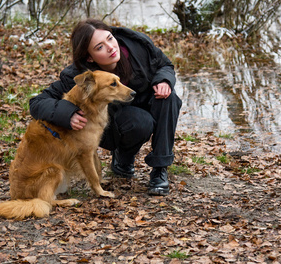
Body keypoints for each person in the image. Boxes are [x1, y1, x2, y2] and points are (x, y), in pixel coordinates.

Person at [29, 18, 182, 196]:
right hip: (112, 126)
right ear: (89, 57)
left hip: (143, 102)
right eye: (99, 47)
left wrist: (163, 80)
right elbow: (37, 103)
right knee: (140, 122)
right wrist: (67, 113)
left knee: (169, 98)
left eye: (110, 38)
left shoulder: (137, 46)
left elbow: (165, 64)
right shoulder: (81, 76)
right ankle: (123, 159)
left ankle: (159, 169)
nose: (110, 47)